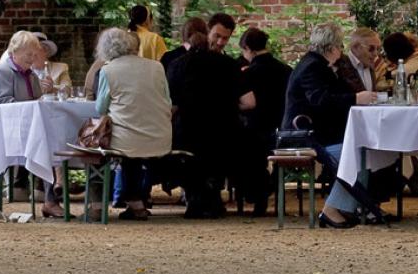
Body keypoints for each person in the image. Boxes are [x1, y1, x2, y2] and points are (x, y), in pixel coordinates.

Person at [282, 23, 383, 229]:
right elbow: (320, 100)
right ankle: (331, 209)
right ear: (331, 47)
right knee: (358, 153)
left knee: (363, 151)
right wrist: (356, 97)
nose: (341, 51)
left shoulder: (316, 64)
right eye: (339, 46)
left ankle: (343, 207)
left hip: (315, 132)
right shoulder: (313, 67)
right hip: (302, 134)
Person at [91, 26, 172, 220]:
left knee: (94, 149)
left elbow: (101, 108)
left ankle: (96, 206)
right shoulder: (156, 67)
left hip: (127, 139)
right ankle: (135, 202)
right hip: (160, 136)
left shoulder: (108, 71)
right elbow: (167, 101)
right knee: (132, 150)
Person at [167, 17, 243, 219]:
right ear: (206, 33)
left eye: (224, 38)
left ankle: (195, 199)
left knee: (190, 157)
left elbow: (172, 100)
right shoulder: (229, 64)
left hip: (188, 127)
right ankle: (212, 197)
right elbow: (240, 98)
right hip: (223, 127)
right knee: (216, 155)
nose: (219, 42)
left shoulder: (177, 65)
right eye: (217, 36)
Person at [234, 27, 290, 216]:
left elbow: (247, 103)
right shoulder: (285, 70)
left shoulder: (249, 73)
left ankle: (259, 196)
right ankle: (270, 185)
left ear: (248, 48)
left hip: (255, 130)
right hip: (282, 129)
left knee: (248, 156)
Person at [0, 31, 47, 113]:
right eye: (29, 54)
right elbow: (1, 104)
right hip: (3, 124)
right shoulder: (2, 72)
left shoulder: (32, 75)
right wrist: (31, 107)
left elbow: (39, 101)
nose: (32, 58)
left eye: (35, 55)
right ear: (15, 52)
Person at [345, 27, 385, 98]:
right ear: (356, 47)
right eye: (371, 48)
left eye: (378, 49)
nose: (376, 53)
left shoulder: (369, 64)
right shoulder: (341, 66)